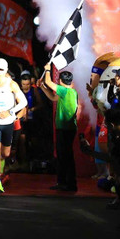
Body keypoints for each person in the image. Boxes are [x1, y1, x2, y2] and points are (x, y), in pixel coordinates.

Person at [0, 58, 27, 195]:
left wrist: (9, 112)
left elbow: (23, 102)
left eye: (1, 69)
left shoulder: (12, 84)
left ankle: (1, 167)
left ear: (6, 70)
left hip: (8, 122)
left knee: (5, 153)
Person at [40, 63, 79, 192]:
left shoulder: (64, 90)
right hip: (68, 128)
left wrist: (47, 70)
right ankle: (64, 182)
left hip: (64, 129)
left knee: (65, 156)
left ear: (60, 81)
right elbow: (53, 97)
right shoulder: (71, 92)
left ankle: (68, 183)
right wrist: (43, 88)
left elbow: (48, 81)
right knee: (64, 156)